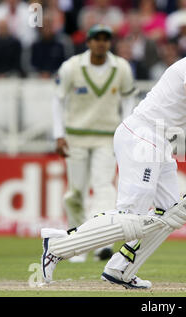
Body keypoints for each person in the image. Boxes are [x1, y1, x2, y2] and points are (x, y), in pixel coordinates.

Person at [41, 26, 186, 288]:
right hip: (141, 134)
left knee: (172, 213)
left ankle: (120, 270)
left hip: (160, 142)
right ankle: (59, 245)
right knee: (132, 216)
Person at [51, 24, 137, 262]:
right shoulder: (71, 67)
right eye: (96, 39)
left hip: (107, 137)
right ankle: (76, 243)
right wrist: (58, 134)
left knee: (104, 188)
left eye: (105, 39)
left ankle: (102, 243)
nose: (101, 43)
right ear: (88, 42)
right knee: (75, 192)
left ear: (110, 43)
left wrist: (126, 129)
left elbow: (128, 98)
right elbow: (57, 100)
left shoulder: (121, 67)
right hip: (75, 136)